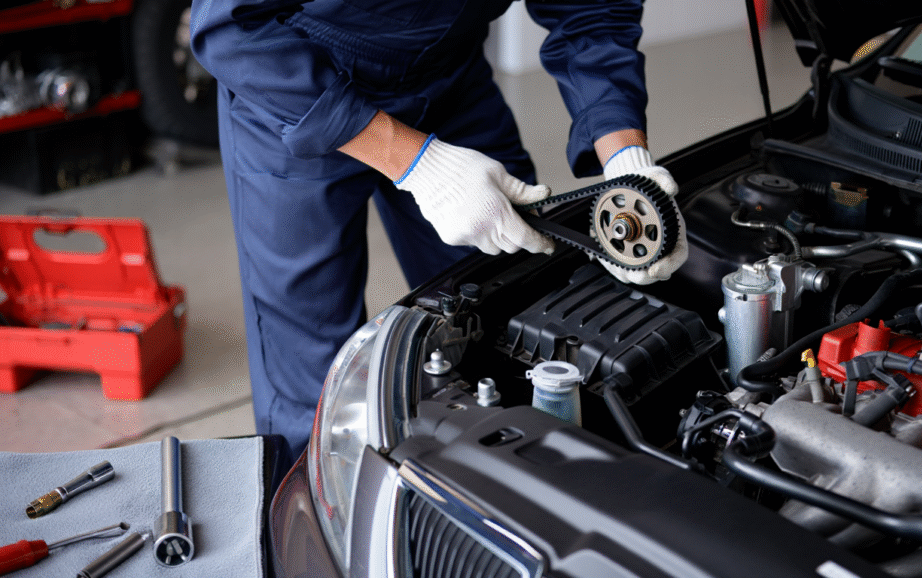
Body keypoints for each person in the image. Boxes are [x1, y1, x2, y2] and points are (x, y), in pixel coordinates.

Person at [190, 0, 688, 460]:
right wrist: (417, 163)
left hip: (449, 81)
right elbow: (229, 27)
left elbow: (591, 10)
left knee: (513, 311)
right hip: (294, 88)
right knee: (313, 383)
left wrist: (626, 158)